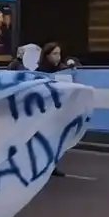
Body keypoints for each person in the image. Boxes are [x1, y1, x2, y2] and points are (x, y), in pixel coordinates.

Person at [35, 42, 67, 177]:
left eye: (59, 53)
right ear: (47, 55)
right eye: (54, 54)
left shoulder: (63, 71)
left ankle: (51, 166)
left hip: (58, 111)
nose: (58, 57)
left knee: (55, 140)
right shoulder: (39, 72)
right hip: (43, 111)